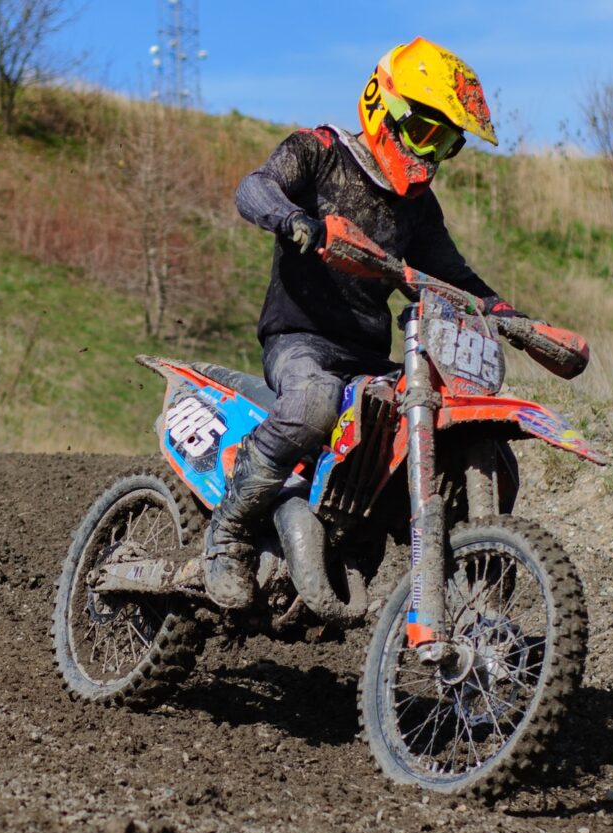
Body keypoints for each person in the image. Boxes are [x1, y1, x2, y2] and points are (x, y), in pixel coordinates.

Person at [203, 37, 527, 608]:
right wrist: (292, 219)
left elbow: (455, 275)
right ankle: (226, 536)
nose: (431, 155)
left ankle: (448, 601)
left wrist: (508, 315)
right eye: (426, 132)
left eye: (447, 143)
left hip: (370, 352)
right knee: (312, 405)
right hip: (300, 338)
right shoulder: (321, 150)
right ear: (386, 108)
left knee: (445, 433)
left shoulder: (418, 208)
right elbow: (254, 187)